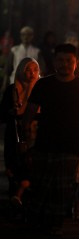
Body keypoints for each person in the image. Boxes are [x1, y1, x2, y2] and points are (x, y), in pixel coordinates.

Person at [23, 43, 79, 236]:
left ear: (75, 63)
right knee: (41, 185)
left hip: (69, 146)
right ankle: (36, 222)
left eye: (69, 61)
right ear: (54, 62)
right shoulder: (44, 84)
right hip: (44, 144)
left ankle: (54, 224)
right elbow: (29, 112)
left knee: (61, 189)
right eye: (61, 60)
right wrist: (24, 139)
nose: (65, 64)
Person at [0, 57, 40, 209]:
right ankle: (14, 200)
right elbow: (2, 113)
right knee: (15, 167)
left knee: (31, 168)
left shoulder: (40, 89)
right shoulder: (12, 90)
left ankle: (26, 200)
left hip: (35, 135)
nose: (32, 73)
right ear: (21, 71)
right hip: (15, 134)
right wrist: (12, 112)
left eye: (35, 70)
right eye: (28, 70)